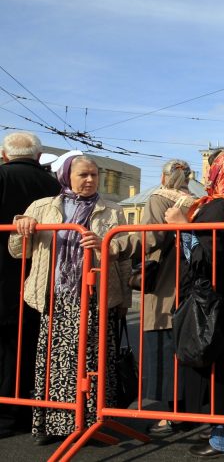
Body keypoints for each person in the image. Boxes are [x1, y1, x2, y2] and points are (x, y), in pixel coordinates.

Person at [9, 154, 131, 444]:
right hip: (55, 298)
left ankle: (92, 426)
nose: (89, 180)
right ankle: (52, 426)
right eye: (83, 175)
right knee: (53, 365)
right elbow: (18, 252)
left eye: (94, 175)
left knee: (94, 364)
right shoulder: (41, 207)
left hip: (95, 299)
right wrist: (20, 228)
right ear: (66, 176)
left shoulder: (112, 210)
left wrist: (106, 248)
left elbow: (124, 253)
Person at [166, 151, 224, 459]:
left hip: (220, 301)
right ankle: (223, 430)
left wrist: (182, 226)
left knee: (222, 370)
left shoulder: (220, 207)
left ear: (221, 174)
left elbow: (204, 258)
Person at [0, 132, 60, 438]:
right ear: (38, 156)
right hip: (39, 275)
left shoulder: (2, 175)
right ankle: (28, 408)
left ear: (5, 155)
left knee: (6, 346)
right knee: (31, 344)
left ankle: (6, 414)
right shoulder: (53, 184)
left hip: (3, 271)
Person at [137, 159, 195, 436]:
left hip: (167, 283)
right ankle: (187, 410)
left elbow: (151, 237)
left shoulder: (159, 198)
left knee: (163, 346)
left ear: (163, 176)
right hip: (193, 280)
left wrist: (118, 243)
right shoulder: (196, 199)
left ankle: (171, 414)